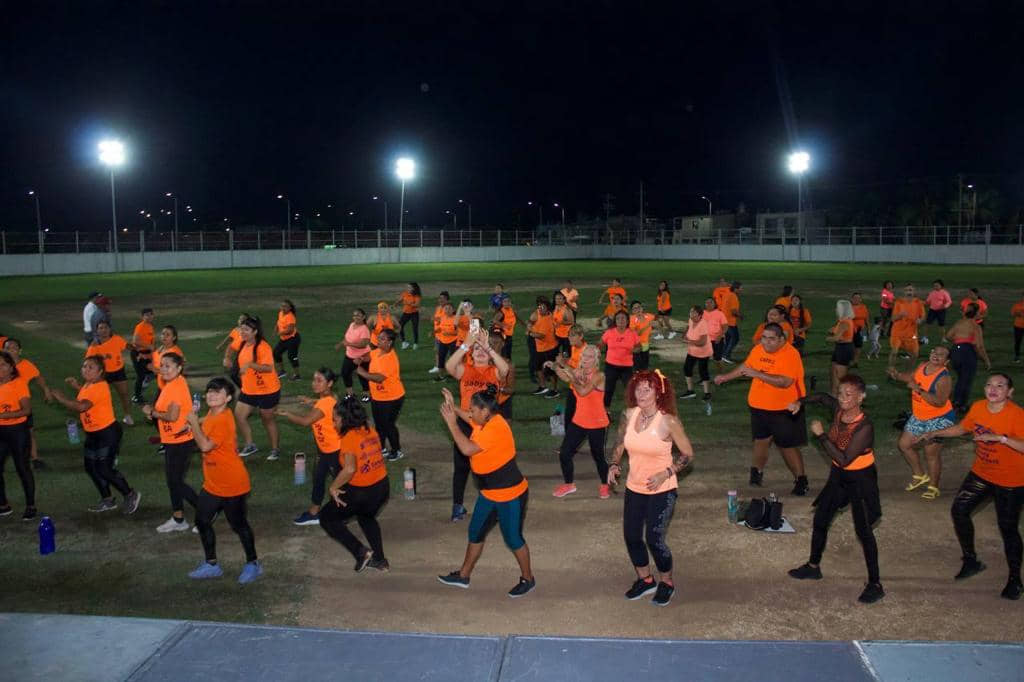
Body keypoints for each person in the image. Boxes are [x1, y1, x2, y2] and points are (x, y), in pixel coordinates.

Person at [918, 373, 1023, 600]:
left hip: (1011, 481)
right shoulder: (978, 407)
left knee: (1008, 528)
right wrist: (935, 432)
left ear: (1010, 392)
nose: (993, 389)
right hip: (982, 473)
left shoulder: (1017, 415)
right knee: (959, 510)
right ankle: (971, 560)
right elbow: (963, 428)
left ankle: (1015, 579)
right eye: (989, 384)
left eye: (1000, 385)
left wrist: (1001, 439)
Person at [786, 374, 884, 604]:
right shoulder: (839, 410)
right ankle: (813, 566)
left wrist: (820, 435)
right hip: (839, 477)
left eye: (848, 395)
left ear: (861, 397)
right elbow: (821, 397)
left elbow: (844, 458)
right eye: (840, 393)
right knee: (821, 518)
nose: (842, 399)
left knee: (864, 532)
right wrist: (801, 401)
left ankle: (875, 584)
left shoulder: (864, 427)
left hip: (860, 479)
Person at [607, 370, 695, 606]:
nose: (641, 393)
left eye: (648, 389)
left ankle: (667, 582)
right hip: (634, 487)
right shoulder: (628, 414)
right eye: (638, 388)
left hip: (662, 489)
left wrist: (666, 472)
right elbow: (619, 443)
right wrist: (614, 464)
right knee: (632, 536)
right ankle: (645, 580)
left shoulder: (668, 421)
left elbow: (687, 454)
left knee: (654, 538)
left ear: (659, 393)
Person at [438, 384, 535, 598]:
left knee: (513, 538)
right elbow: (469, 418)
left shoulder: (495, 428)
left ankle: (528, 579)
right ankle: (463, 576)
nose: (470, 413)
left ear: (485, 411)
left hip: (510, 495)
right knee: (475, 532)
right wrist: (454, 407)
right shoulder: (485, 420)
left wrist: (451, 424)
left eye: (473, 410)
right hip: (489, 494)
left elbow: (467, 449)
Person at [715, 322, 809, 495]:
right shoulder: (758, 349)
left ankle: (800, 480)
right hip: (759, 406)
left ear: (782, 339)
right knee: (761, 441)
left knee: (786, 446)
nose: (766, 342)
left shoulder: (790, 354)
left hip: (785, 408)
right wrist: (726, 377)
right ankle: (756, 472)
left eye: (771, 339)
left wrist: (758, 374)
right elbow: (746, 367)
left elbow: (785, 382)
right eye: (764, 338)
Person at [184, 377, 262, 584]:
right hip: (212, 483)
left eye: (217, 393)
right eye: (209, 391)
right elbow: (206, 423)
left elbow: (205, 447)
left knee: (238, 525)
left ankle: (253, 563)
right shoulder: (214, 413)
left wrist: (192, 422)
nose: (211, 395)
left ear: (227, 398)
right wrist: (196, 421)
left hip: (232, 483)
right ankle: (211, 565)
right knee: (201, 521)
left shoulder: (223, 419)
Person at [51, 356, 141, 515]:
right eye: (84, 366)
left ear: (100, 372)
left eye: (91, 367)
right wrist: (77, 386)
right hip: (93, 434)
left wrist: (61, 398)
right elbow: (87, 396)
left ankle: (130, 494)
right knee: (91, 467)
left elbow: (81, 406)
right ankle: (107, 500)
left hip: (107, 433)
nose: (85, 369)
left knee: (104, 469)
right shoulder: (89, 384)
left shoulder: (99, 386)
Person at [445, 327, 510, 521]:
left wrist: (487, 346)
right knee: (461, 467)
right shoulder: (466, 370)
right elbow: (449, 366)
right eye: (476, 350)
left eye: (483, 350)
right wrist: (467, 344)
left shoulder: (494, 371)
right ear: (471, 354)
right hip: (466, 423)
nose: (479, 351)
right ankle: (457, 506)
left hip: (487, 426)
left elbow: (505, 369)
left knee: (490, 465)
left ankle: (496, 503)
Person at [320, 397, 391, 573]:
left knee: (327, 518)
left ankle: (360, 552)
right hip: (382, 488)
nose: (333, 422)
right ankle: (380, 561)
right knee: (366, 517)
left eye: (335, 419)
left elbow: (350, 468)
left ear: (345, 420)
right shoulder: (369, 430)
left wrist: (333, 487)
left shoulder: (349, 437)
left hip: (363, 492)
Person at [887, 345, 955, 500]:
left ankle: (933, 486)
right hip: (920, 415)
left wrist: (918, 390)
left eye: (941, 355)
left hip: (940, 418)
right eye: (934, 351)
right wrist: (897, 375)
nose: (936, 355)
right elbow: (912, 377)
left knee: (931, 453)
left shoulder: (943, 377)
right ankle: (920, 475)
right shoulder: (923, 365)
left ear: (946, 361)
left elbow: (939, 401)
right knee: (904, 445)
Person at [276, 368, 342, 526]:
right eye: (314, 380)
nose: (314, 384)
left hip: (334, 451)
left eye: (319, 381)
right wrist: (311, 401)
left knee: (340, 483)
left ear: (330, 383)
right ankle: (314, 512)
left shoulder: (324, 404)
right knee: (318, 477)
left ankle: (345, 512)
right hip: (324, 449)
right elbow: (330, 402)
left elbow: (306, 421)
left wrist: (287, 414)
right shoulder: (329, 398)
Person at [142, 352, 198, 533]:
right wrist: (153, 413)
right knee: (173, 481)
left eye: (168, 366)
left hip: (180, 441)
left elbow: (172, 416)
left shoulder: (176, 386)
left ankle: (206, 512)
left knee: (176, 482)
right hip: (172, 440)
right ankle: (178, 519)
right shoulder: (170, 384)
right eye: (162, 365)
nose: (163, 369)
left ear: (179, 368)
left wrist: (152, 413)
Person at [548, 345, 610, 499]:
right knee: (564, 453)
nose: (585, 359)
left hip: (597, 423)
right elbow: (565, 377)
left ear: (596, 360)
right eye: (584, 356)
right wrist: (556, 367)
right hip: (580, 420)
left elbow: (582, 391)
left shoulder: (599, 376)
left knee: (598, 456)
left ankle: (604, 484)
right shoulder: (578, 372)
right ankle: (569, 484)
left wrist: (572, 377)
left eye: (589, 357)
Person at [233, 316, 281, 460]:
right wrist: (228, 358)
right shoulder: (243, 344)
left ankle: (275, 449)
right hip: (249, 390)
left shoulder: (262, 347)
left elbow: (268, 369)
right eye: (242, 329)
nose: (242, 332)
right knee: (239, 415)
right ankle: (250, 445)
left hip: (268, 390)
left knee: (267, 418)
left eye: (246, 329)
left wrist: (250, 365)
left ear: (255, 332)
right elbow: (231, 347)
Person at [356, 328, 405, 462]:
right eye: (379, 337)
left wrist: (362, 372)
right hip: (378, 396)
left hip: (392, 398)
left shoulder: (390, 358)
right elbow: (369, 355)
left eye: (383, 339)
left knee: (388, 425)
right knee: (378, 424)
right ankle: (381, 448)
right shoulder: (378, 351)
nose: (379, 340)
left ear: (389, 343)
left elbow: (379, 378)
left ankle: (396, 450)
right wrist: (361, 358)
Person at [3, 338, 53, 469]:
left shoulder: (26, 365)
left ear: (20, 351)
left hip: (22, 407)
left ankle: (35, 458)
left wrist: (46, 389)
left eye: (14, 348)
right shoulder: (1, 366)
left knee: (29, 431)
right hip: (4, 406)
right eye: (8, 348)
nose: (11, 351)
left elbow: (38, 376)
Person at [0, 351, 36, 520]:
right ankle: (3, 504)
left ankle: (31, 506)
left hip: (17, 431)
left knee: (22, 468)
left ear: (11, 367)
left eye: (3, 365)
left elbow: (26, 410)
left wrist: (2, 416)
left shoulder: (19, 383)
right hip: (1, 433)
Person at [945, 304, 992, 414]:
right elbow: (979, 345)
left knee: (961, 378)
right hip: (967, 352)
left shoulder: (959, 323)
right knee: (966, 380)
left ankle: (958, 402)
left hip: (955, 351)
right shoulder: (975, 326)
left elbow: (948, 336)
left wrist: (958, 340)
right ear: (976, 314)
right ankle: (959, 404)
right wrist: (986, 360)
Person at [86, 321, 134, 425]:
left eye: (105, 328)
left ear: (110, 329)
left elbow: (127, 346)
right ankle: (98, 418)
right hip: (103, 375)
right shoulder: (94, 345)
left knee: (124, 394)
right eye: (101, 328)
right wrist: (101, 358)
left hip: (118, 371)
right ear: (97, 331)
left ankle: (127, 416)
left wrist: (137, 349)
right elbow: (88, 360)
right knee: (99, 398)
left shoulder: (116, 339)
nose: (103, 330)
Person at [600, 310, 641, 409]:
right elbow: (600, 344)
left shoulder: (632, 333)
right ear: (615, 320)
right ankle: (606, 412)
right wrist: (595, 352)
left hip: (626, 367)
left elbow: (639, 347)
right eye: (618, 318)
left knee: (630, 390)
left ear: (627, 321)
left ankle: (633, 412)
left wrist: (635, 349)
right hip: (611, 366)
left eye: (623, 318)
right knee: (608, 389)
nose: (621, 320)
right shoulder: (609, 333)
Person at [334, 308, 371, 402]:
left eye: (358, 315)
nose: (356, 317)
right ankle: (350, 394)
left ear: (363, 317)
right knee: (345, 373)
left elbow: (363, 344)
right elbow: (347, 338)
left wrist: (350, 344)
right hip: (349, 355)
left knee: (362, 375)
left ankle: (367, 395)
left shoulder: (364, 329)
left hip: (362, 356)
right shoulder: (351, 325)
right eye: (354, 315)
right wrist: (340, 344)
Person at [680, 305, 713, 403]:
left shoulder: (703, 324)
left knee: (703, 371)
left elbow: (702, 342)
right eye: (691, 312)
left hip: (703, 352)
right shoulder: (691, 320)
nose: (691, 314)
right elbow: (688, 327)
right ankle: (690, 391)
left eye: (694, 313)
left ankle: (707, 393)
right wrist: (684, 335)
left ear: (700, 315)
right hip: (692, 351)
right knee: (687, 368)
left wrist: (689, 342)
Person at [527, 297, 559, 397]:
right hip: (539, 347)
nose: (540, 309)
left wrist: (531, 333)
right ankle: (543, 387)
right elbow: (530, 321)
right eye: (539, 306)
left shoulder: (549, 319)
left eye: (542, 307)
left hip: (550, 348)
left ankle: (554, 390)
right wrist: (529, 326)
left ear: (548, 308)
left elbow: (541, 336)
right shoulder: (536, 313)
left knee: (551, 370)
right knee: (538, 367)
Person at [888, 284, 925, 366]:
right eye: (907, 290)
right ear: (904, 292)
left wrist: (920, 320)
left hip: (911, 333)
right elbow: (893, 319)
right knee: (894, 352)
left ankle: (908, 372)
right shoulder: (899, 302)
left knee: (915, 355)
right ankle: (891, 371)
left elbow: (923, 317)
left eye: (911, 290)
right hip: (897, 332)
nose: (909, 292)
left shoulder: (918, 303)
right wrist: (900, 315)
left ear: (914, 292)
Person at [827, 299, 856, 395]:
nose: (835, 309)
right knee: (834, 371)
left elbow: (836, 338)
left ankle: (845, 396)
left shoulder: (844, 322)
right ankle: (834, 394)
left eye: (837, 308)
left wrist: (828, 338)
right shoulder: (843, 321)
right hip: (840, 347)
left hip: (844, 348)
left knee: (841, 376)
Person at [130, 307, 156, 403]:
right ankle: (136, 396)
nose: (149, 317)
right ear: (142, 317)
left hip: (147, 353)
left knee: (152, 373)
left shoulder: (150, 326)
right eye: (147, 315)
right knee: (140, 375)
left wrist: (152, 352)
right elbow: (135, 341)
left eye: (151, 314)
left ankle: (140, 390)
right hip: (138, 354)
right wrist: (149, 346)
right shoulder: (140, 326)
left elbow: (151, 342)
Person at [273, 299, 301, 380]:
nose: (283, 308)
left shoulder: (291, 317)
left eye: (285, 306)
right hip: (284, 339)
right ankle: (282, 372)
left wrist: (280, 333)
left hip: (293, 339)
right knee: (276, 353)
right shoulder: (281, 313)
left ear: (290, 308)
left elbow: (290, 330)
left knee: (292, 356)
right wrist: (276, 328)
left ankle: (297, 375)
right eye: (282, 306)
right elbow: (279, 322)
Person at [218, 313, 248, 389]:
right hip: (238, 355)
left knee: (241, 374)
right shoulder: (235, 330)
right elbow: (229, 339)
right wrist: (221, 346)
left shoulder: (249, 331)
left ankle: (247, 389)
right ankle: (244, 389)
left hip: (247, 355)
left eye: (243, 319)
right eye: (240, 319)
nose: (241, 320)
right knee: (234, 374)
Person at [433, 301, 459, 382]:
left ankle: (455, 375)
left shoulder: (456, 319)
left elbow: (459, 332)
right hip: (443, 341)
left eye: (449, 308)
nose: (447, 310)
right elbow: (440, 328)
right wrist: (434, 331)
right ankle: (441, 376)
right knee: (441, 358)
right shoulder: (443, 318)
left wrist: (449, 333)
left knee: (453, 359)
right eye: (446, 308)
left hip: (453, 341)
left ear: (453, 310)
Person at [923, 279, 952, 345]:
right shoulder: (932, 293)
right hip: (932, 310)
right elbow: (928, 301)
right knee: (927, 324)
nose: (935, 287)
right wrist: (923, 303)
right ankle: (925, 337)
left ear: (941, 286)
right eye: (934, 286)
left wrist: (945, 306)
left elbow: (949, 301)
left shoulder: (945, 293)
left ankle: (943, 338)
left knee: (941, 325)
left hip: (941, 311)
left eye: (937, 285)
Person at [703, 297, 728, 372]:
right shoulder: (701, 313)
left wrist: (720, 336)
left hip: (717, 339)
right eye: (707, 302)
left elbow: (725, 326)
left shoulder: (720, 313)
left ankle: (721, 375)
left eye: (711, 302)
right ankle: (704, 378)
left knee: (717, 359)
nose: (709, 304)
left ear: (715, 304)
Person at [428, 290, 451, 373]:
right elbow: (436, 319)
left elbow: (448, 319)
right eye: (440, 298)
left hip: (445, 334)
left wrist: (437, 319)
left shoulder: (448, 308)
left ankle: (445, 366)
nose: (441, 300)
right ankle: (438, 366)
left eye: (443, 298)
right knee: (437, 351)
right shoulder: (438, 308)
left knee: (446, 352)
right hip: (438, 333)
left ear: (447, 300)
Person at [720, 281, 742, 363]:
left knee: (729, 339)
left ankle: (723, 355)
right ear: (736, 289)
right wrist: (740, 316)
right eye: (740, 288)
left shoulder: (727, 294)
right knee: (735, 338)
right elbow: (733, 311)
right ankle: (726, 356)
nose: (741, 290)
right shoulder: (733, 296)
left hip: (724, 320)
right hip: (730, 322)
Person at [629, 301, 656, 370]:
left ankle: (643, 378)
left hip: (645, 344)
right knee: (637, 366)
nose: (637, 309)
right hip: (636, 346)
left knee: (645, 365)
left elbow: (656, 318)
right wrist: (648, 325)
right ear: (632, 311)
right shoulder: (631, 319)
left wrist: (657, 323)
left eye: (639, 307)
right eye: (635, 308)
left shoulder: (648, 316)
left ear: (642, 308)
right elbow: (637, 333)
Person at [396, 282, 422, 350]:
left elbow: (417, 305)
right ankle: (404, 342)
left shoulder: (417, 295)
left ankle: (416, 343)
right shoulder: (405, 293)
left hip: (414, 313)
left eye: (409, 287)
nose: (408, 288)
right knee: (400, 326)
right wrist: (395, 304)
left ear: (414, 288)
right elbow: (400, 300)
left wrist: (409, 303)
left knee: (415, 328)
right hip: (406, 313)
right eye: (407, 287)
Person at [552, 291, 575, 358]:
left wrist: (561, 322)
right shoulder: (556, 307)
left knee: (566, 353)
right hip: (557, 334)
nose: (558, 300)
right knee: (556, 352)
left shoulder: (567, 310)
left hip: (566, 336)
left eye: (560, 299)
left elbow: (572, 321)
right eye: (556, 299)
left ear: (564, 300)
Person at [850, 293, 870, 367]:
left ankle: (856, 361)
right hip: (851, 329)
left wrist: (868, 328)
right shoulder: (849, 307)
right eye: (855, 298)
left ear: (861, 299)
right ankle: (851, 360)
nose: (856, 300)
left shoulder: (863, 307)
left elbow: (866, 318)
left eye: (858, 298)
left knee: (859, 345)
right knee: (850, 345)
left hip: (861, 329)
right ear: (851, 299)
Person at [1012, 292, 1024, 363]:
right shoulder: (1017, 305)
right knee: (1018, 342)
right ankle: (1017, 356)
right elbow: (1013, 313)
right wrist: (1018, 314)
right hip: (1018, 326)